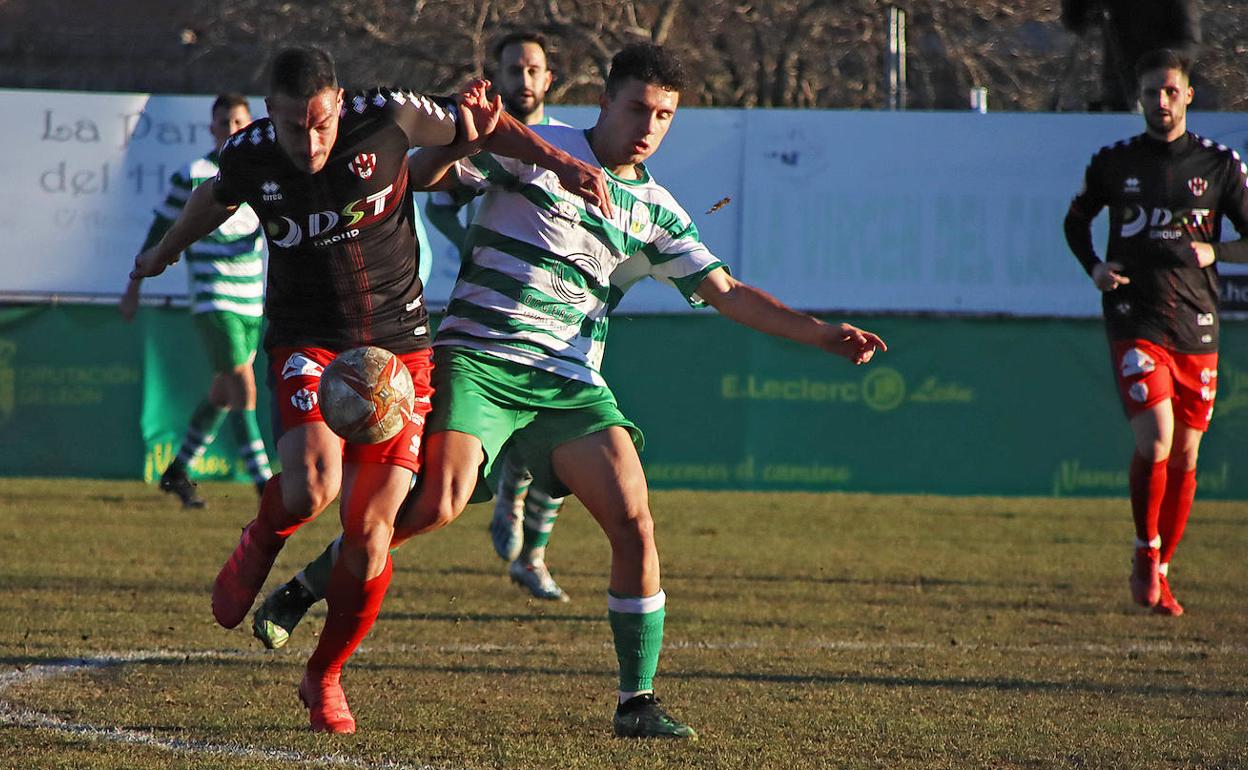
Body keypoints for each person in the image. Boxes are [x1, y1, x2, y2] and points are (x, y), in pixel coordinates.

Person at [257, 42, 886, 740]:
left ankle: (636, 702)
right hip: (478, 359)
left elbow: (730, 295)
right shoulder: (536, 147)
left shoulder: (658, 212)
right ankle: (311, 583)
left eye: (665, 116)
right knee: (436, 503)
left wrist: (823, 333)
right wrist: (465, 135)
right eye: (638, 108)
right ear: (605, 101)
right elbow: (428, 178)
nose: (649, 125)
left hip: (569, 381)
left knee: (634, 519)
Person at [129, 45, 610, 734]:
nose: (312, 139)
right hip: (308, 339)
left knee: (371, 533)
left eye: (321, 122)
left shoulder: (386, 115)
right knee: (310, 487)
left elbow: (485, 125)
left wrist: (564, 162)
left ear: (338, 103)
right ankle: (262, 536)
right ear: (273, 115)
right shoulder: (254, 152)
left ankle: (324, 674)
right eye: (296, 126)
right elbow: (215, 196)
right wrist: (167, 249)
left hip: (398, 346)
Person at [1063, 48, 1248, 616]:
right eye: (1150, 93)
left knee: (1188, 455)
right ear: (1137, 99)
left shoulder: (1220, 165)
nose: (1160, 102)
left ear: (1188, 95)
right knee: (1158, 438)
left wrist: (1213, 249)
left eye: (1170, 91)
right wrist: (1095, 266)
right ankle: (1146, 554)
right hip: (1134, 315)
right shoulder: (1113, 162)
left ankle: (1162, 569)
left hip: (1196, 321)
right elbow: (1076, 221)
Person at [425, 30, 573, 602]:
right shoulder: (485, 140)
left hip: (557, 317)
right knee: (507, 439)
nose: (525, 80)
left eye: (534, 69)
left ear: (549, 78)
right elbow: (439, 200)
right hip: (489, 313)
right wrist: (472, 242)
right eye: (514, 70)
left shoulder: (567, 142)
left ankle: (532, 558)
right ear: (500, 75)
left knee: (558, 450)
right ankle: (509, 502)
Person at [120, 93, 272, 507]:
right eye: (224, 123)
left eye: (239, 122)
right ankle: (264, 482)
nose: (232, 130)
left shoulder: (263, 175)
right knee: (243, 383)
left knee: (223, 391)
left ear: (250, 124)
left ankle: (178, 471)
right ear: (212, 128)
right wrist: (134, 283)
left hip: (250, 302)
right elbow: (161, 229)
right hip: (213, 299)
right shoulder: (195, 174)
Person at [1060, 0, 1202, 112]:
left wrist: (1161, 71)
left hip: (1164, 89)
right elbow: (1074, 20)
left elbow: (1188, 41)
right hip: (1117, 87)